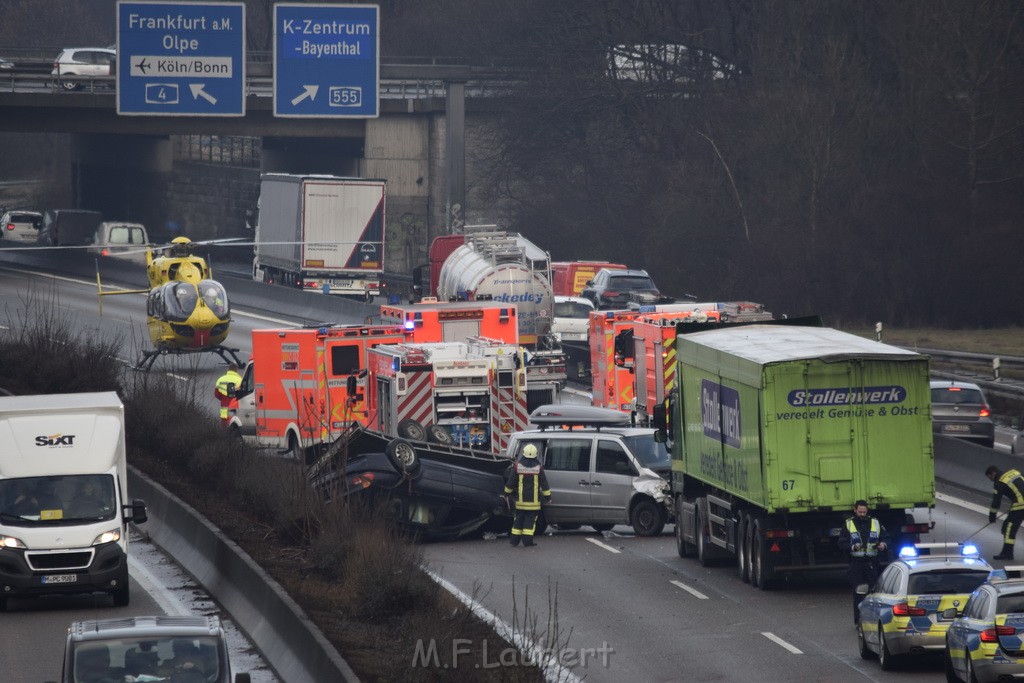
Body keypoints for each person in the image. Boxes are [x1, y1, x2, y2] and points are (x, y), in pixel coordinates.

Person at [838, 499, 889, 625]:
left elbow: (887, 538)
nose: (862, 514)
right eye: (860, 512)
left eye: (864, 512)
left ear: (867, 511)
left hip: (872, 563)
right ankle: (859, 621)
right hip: (856, 563)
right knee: (858, 593)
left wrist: (883, 545)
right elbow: (841, 543)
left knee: (873, 593)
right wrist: (852, 547)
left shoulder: (875, 522)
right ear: (855, 510)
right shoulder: (849, 524)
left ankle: (873, 620)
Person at [503, 443, 552, 547]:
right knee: (529, 522)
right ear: (535, 454)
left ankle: (514, 541)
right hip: (533, 503)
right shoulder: (539, 468)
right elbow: (544, 484)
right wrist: (548, 497)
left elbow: (511, 483)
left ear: (524, 453)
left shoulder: (517, 466)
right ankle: (527, 541)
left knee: (518, 521)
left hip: (520, 501)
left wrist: (506, 493)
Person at [986, 465, 1024, 560]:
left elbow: (996, 502)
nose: (991, 480)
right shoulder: (1014, 471)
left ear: (993, 473)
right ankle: (1005, 552)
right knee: (1007, 525)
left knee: (1008, 528)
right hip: (1020, 504)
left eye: (990, 478)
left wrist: (992, 517)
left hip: (1020, 506)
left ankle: (1007, 554)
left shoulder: (999, 482)